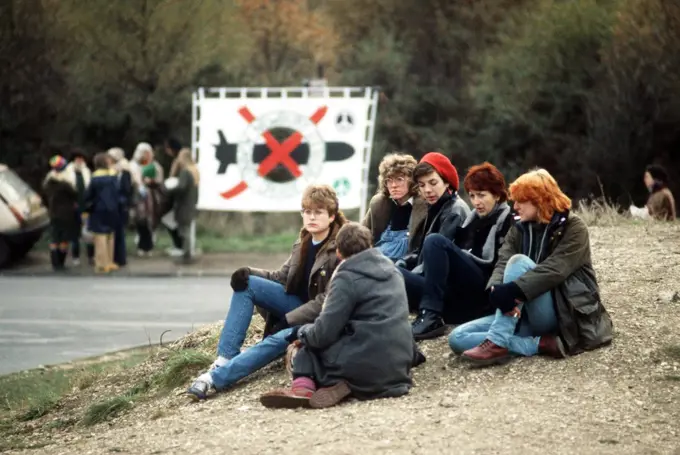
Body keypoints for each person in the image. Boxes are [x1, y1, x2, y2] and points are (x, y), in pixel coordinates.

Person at [186, 184, 347, 400]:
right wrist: (249, 272)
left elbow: (325, 300)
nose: (311, 217)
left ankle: (215, 379)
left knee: (277, 339)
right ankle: (225, 358)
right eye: (307, 211)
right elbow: (281, 277)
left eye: (318, 212)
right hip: (296, 307)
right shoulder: (303, 242)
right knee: (248, 283)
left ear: (331, 216)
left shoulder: (338, 249)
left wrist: (288, 320)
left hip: (319, 319)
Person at [450, 168, 613, 366]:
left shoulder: (574, 228)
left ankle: (498, 342)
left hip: (560, 313)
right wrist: (495, 289)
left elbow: (555, 269)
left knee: (519, 263)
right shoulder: (519, 227)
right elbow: (502, 262)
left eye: (521, 201)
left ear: (540, 200)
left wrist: (512, 290)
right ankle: (538, 344)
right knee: (458, 338)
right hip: (521, 312)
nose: (515, 206)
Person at [259, 223, 414, 409]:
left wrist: (301, 332)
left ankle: (305, 388)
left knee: (305, 348)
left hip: (364, 366)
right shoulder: (394, 271)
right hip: (398, 367)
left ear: (339, 253)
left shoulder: (346, 277)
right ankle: (349, 384)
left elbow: (322, 334)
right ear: (371, 246)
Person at [411, 162, 514, 340]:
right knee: (392, 272)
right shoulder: (471, 220)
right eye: (473, 196)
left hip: (483, 290)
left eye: (481, 196)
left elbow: (504, 265)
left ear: (497, 195)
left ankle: (431, 315)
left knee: (434, 241)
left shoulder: (508, 221)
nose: (476, 202)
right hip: (456, 297)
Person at [396, 152, 470, 314]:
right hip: (429, 280)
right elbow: (422, 252)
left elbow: (436, 262)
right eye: (422, 185)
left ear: (446, 181)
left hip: (444, 291)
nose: (428, 190)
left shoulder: (455, 210)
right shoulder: (436, 206)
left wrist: (406, 273)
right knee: (385, 266)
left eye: (433, 182)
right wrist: (405, 261)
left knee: (389, 274)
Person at [362, 153, 427, 261]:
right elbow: (361, 235)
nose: (393, 185)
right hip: (376, 260)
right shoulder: (379, 203)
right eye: (389, 180)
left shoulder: (424, 204)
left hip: (407, 264)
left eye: (399, 179)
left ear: (412, 180)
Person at [84, 153, 121, 273]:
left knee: (100, 237)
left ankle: (101, 263)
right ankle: (110, 262)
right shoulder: (114, 176)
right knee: (110, 235)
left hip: (98, 209)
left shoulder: (95, 178)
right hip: (113, 209)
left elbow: (89, 195)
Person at [42, 155, 78, 271]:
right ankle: (61, 263)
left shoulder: (48, 183)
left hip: (53, 213)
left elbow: (44, 197)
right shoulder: (65, 184)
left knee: (54, 237)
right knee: (64, 238)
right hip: (66, 214)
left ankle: (54, 263)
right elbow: (74, 194)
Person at [165, 148, 199, 261]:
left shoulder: (185, 171)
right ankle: (187, 253)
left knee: (184, 230)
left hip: (183, 205)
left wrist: (170, 188)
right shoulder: (195, 170)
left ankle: (186, 255)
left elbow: (181, 187)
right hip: (191, 204)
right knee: (187, 229)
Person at [131, 142, 164, 256]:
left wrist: (152, 181)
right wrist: (139, 182)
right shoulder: (134, 165)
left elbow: (160, 180)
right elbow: (132, 179)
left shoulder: (155, 165)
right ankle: (141, 243)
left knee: (151, 219)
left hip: (152, 195)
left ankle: (149, 244)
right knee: (140, 219)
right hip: (138, 195)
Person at [107, 147, 134, 267]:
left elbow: (126, 189)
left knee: (119, 232)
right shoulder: (112, 170)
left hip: (120, 206)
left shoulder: (124, 171)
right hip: (114, 205)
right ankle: (113, 256)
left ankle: (120, 258)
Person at [66, 149, 93, 265]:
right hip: (73, 207)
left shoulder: (87, 172)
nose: (80, 161)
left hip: (86, 206)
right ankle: (75, 256)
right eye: (78, 158)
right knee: (75, 234)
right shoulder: (68, 172)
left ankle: (91, 256)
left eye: (81, 159)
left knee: (89, 233)